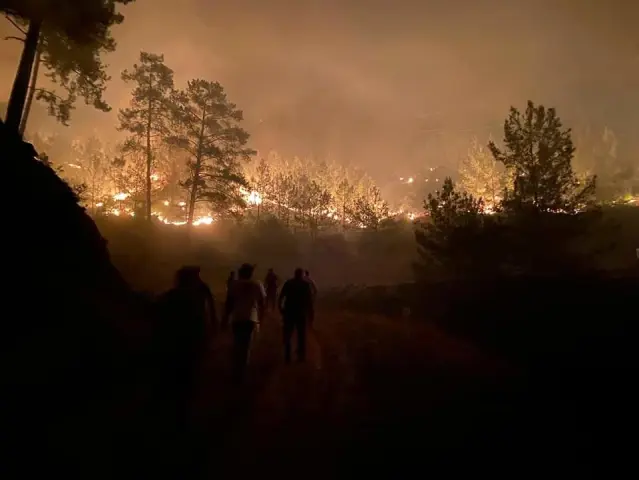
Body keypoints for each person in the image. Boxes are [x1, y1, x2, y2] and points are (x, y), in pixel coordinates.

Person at [154, 266, 217, 422]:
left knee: (175, 374)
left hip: (176, 340)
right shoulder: (199, 290)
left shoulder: (172, 295)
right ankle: (183, 411)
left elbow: (159, 315)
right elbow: (210, 309)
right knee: (189, 375)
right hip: (193, 338)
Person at [224, 263, 265, 382]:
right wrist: (260, 318)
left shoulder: (234, 285)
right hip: (250, 318)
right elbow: (262, 303)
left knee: (237, 343)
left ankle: (236, 370)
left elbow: (229, 304)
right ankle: (242, 370)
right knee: (246, 345)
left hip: (237, 318)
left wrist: (225, 318)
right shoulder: (257, 285)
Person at [279, 268, 314, 363]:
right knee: (301, 335)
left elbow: (281, 297)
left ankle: (287, 356)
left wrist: (280, 309)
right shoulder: (305, 285)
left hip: (289, 312)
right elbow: (309, 301)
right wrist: (311, 314)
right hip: (300, 312)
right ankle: (301, 356)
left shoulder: (289, 283)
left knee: (287, 334)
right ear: (302, 275)